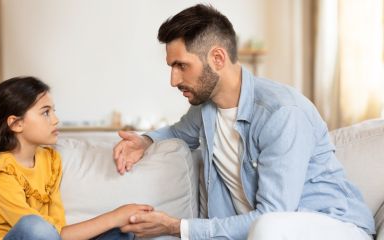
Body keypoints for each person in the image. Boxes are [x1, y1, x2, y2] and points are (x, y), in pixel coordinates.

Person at [113, 4, 375, 240]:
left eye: (182, 66)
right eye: (171, 67)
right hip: (263, 232)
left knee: (268, 227)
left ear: (217, 58)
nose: (173, 80)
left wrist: (178, 227)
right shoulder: (205, 109)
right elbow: (176, 132)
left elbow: (274, 215)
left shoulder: (282, 113)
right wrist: (145, 141)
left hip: (335, 227)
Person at [0, 77, 153, 240]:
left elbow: (58, 230)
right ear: (16, 123)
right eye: (46, 112)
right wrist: (113, 216)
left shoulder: (49, 160)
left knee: (121, 232)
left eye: (53, 111)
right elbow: (42, 234)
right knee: (34, 226)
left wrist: (118, 220)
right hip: (36, 235)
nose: (55, 120)